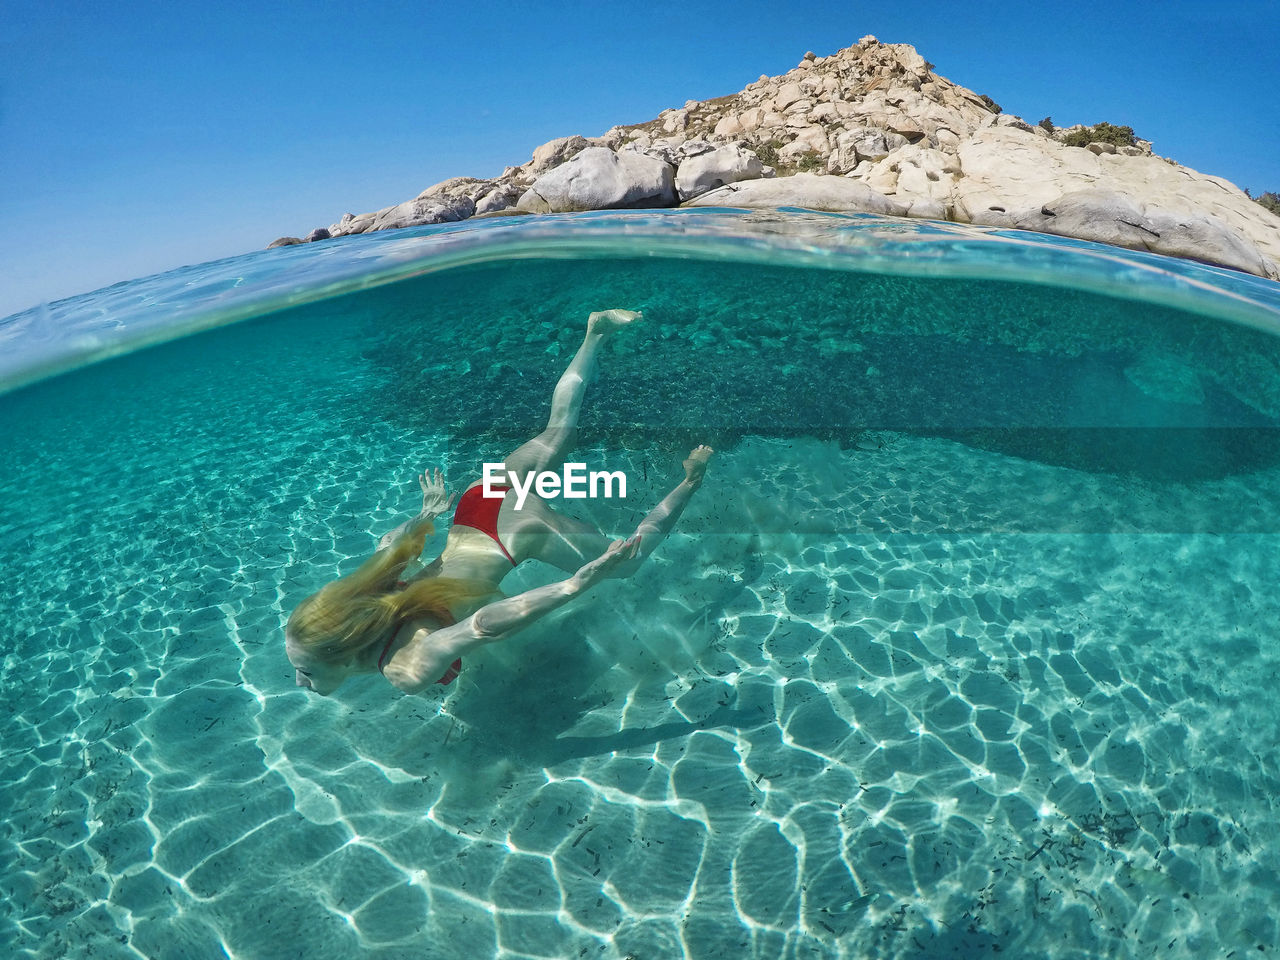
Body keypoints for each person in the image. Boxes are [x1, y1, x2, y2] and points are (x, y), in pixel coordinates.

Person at [285, 309, 712, 697]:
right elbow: (388, 543)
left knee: (629, 563)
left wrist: (578, 583)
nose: (300, 681)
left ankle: (691, 480)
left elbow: (483, 628)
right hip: (474, 504)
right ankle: (594, 334)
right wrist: (427, 514)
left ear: (342, 653)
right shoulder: (367, 596)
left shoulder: (405, 669)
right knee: (557, 432)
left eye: (306, 671)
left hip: (514, 534)